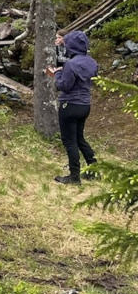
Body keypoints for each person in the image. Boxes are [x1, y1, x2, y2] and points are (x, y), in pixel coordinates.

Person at [47, 30, 98, 184]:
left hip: (69, 104)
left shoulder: (70, 64)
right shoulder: (92, 62)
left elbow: (64, 86)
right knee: (80, 138)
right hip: (84, 104)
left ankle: (74, 176)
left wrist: (56, 74)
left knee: (70, 141)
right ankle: (93, 169)